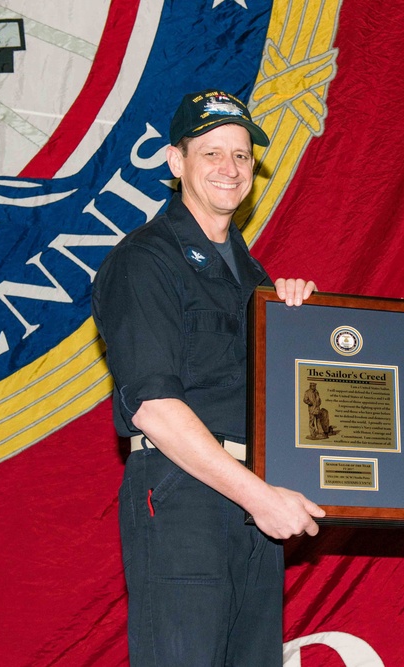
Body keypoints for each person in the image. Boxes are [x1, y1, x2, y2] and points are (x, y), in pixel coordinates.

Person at [92, 89, 325, 666]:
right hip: (186, 494)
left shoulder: (251, 273)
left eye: (242, 156)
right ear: (177, 162)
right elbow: (153, 406)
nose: (229, 168)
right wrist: (258, 496)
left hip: (254, 494)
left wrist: (314, 326)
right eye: (212, 152)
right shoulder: (145, 259)